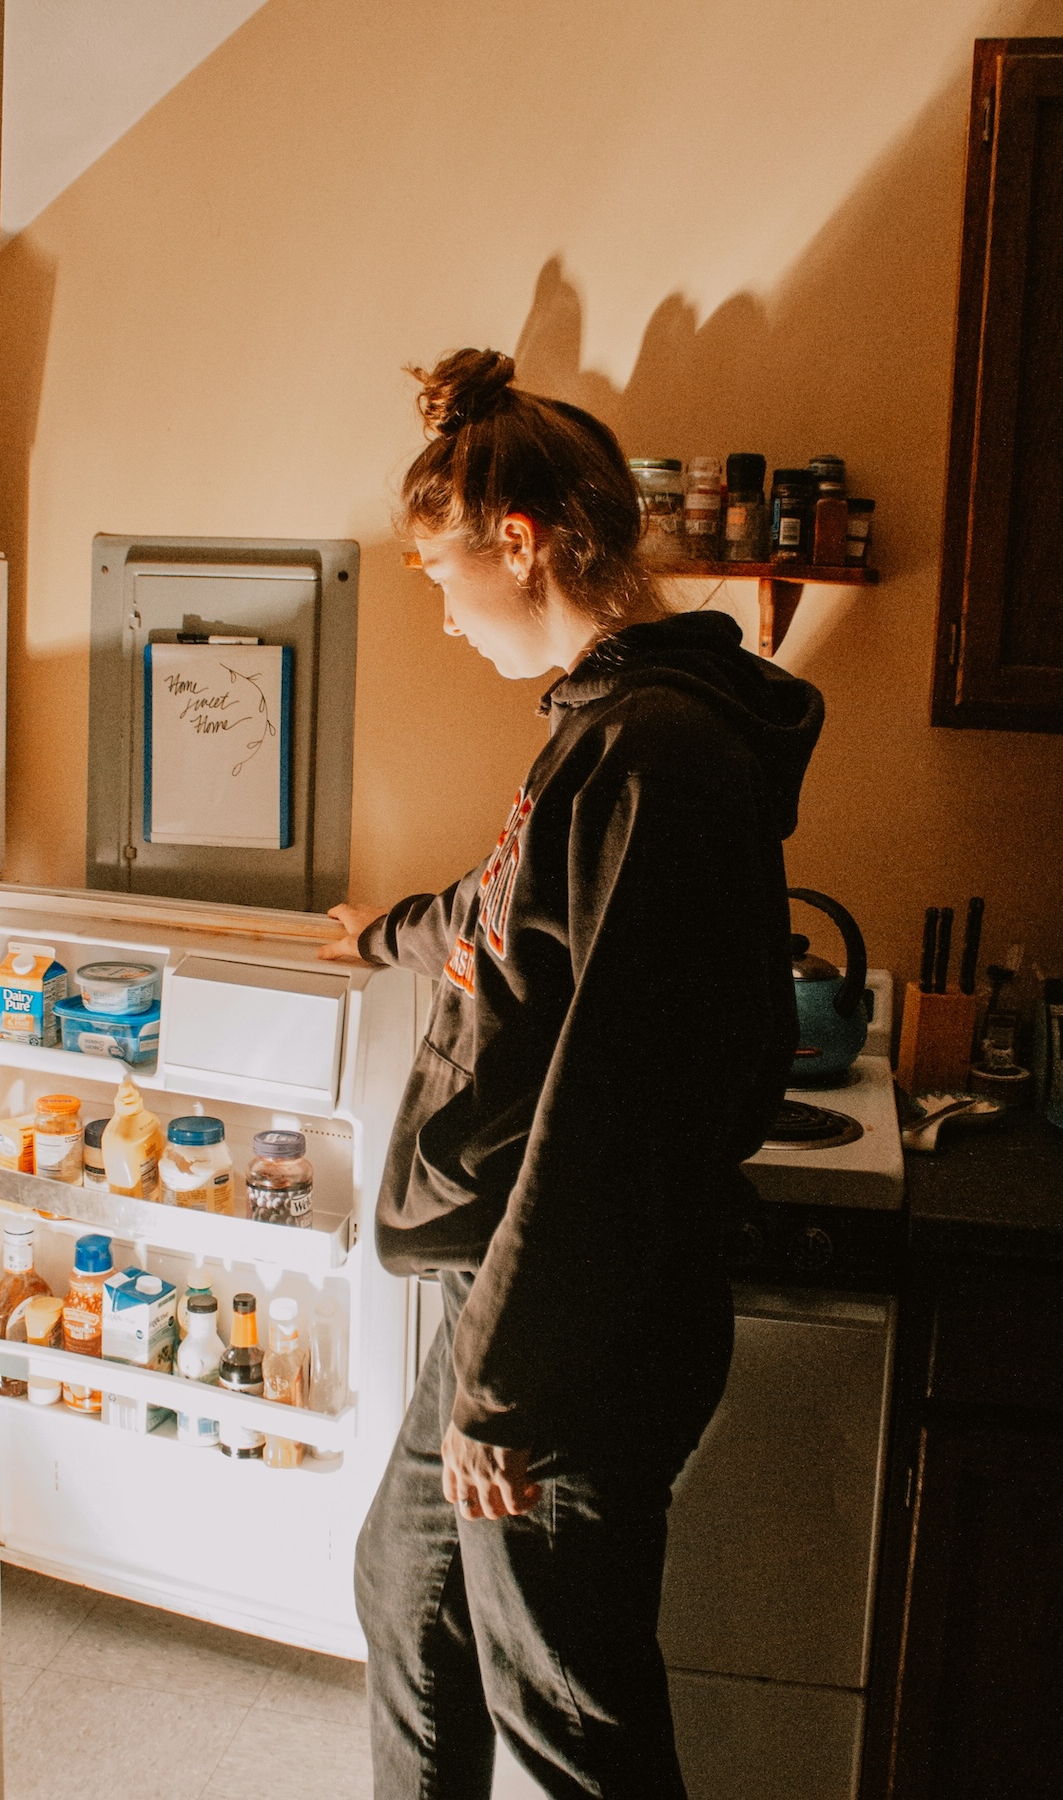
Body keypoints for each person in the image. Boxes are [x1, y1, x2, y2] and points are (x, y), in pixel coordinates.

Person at [319, 348, 824, 1799]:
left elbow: (620, 1117)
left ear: (521, 543)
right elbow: (508, 923)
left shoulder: (654, 754)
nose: (440, 612)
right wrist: (384, 936)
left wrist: (507, 1389)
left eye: (437, 574)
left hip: (581, 1323)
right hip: (522, 1305)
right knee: (408, 1596)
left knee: (565, 1708)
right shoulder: (604, 732)